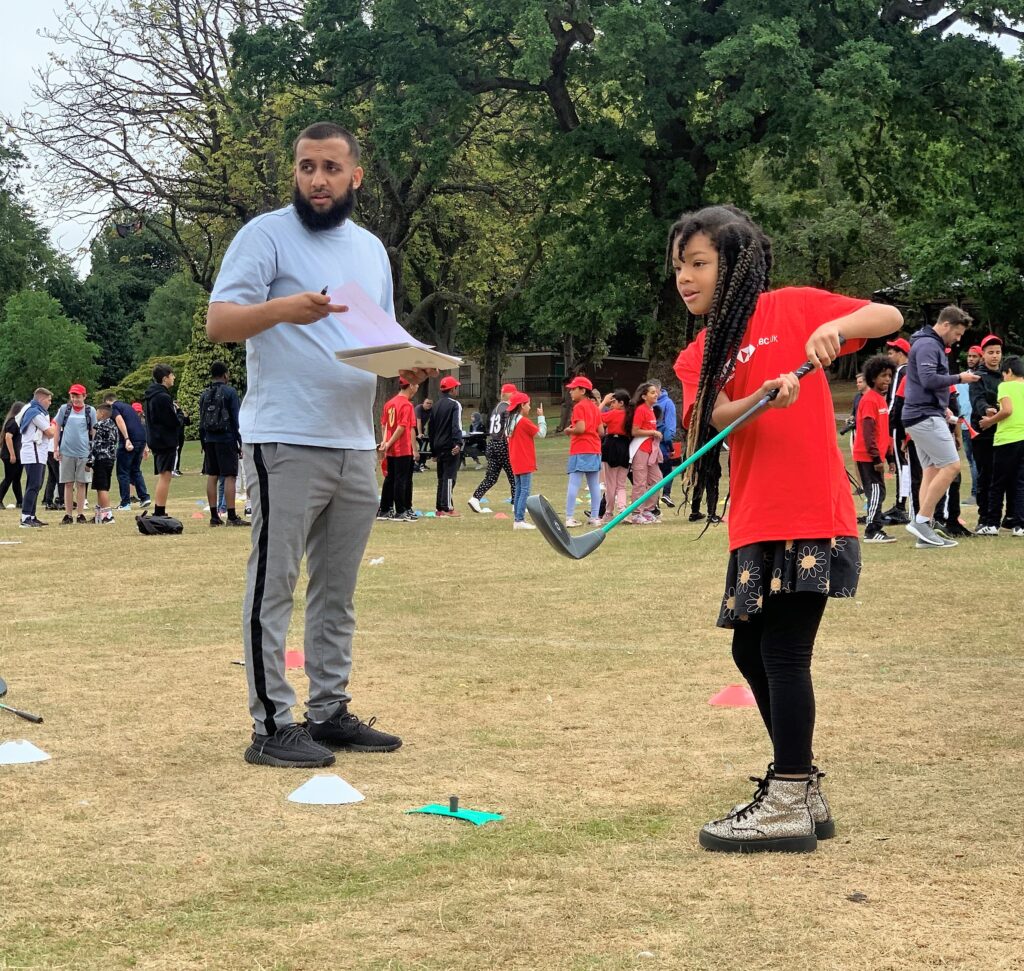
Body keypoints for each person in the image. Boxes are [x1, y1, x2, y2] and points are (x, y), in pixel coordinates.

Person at [668, 204, 903, 853]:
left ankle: (790, 795)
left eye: (698, 263)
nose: (684, 277)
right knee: (749, 652)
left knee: (782, 651)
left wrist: (833, 329)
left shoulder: (791, 307)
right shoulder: (698, 354)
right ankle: (800, 786)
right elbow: (714, 416)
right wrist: (761, 397)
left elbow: (888, 317)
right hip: (754, 520)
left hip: (810, 512)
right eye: (679, 266)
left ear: (735, 264)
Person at [207, 120, 421, 767]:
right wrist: (283, 309)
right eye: (306, 167)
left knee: (336, 591)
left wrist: (405, 366)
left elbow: (376, 339)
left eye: (330, 167)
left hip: (355, 441)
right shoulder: (265, 235)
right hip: (285, 437)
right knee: (273, 586)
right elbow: (219, 321)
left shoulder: (372, 251)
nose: (318, 180)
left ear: (356, 175)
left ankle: (328, 712)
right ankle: (271, 724)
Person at [901, 306, 978, 548]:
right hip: (923, 415)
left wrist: (942, 406)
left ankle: (924, 532)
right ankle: (922, 521)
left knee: (932, 469)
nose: (958, 339)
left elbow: (921, 383)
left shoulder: (927, 343)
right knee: (951, 465)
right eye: (957, 333)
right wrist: (960, 378)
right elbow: (928, 379)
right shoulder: (928, 345)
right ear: (946, 325)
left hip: (923, 413)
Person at [978, 355, 1024, 537]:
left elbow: (1007, 410)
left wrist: (989, 421)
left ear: (1009, 372)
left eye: (1003, 374)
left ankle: (992, 523)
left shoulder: (1005, 386)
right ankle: (1019, 525)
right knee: (1020, 483)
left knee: (997, 483)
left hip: (1006, 440)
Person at [198, 361, 248, 527]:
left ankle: (214, 516)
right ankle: (231, 516)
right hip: (226, 438)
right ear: (225, 375)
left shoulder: (205, 394)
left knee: (212, 475)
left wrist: (203, 442)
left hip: (209, 439)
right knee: (229, 476)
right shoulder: (230, 392)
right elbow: (236, 418)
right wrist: (240, 441)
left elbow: (201, 421)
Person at [853, 356, 896, 543]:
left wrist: (890, 457)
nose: (887, 379)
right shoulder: (870, 400)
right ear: (872, 378)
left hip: (877, 455)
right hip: (868, 456)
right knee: (876, 491)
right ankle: (872, 530)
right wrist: (877, 458)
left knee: (880, 491)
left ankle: (875, 526)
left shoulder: (881, 400)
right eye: (883, 375)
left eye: (890, 376)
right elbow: (868, 432)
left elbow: (883, 432)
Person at [970, 334, 1008, 532]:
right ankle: (984, 517)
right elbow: (977, 400)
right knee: (986, 476)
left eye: (998, 352)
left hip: (1005, 432)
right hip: (983, 432)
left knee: (1005, 476)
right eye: (990, 352)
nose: (995, 356)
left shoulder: (1007, 376)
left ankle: (1008, 517)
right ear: (982, 354)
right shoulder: (977, 377)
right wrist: (986, 409)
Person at [468, 383, 517, 514]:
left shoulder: (496, 408)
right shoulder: (508, 408)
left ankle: (475, 498)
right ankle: (516, 504)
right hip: (503, 444)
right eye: (514, 394)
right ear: (509, 395)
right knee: (514, 477)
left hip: (492, 444)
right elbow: (508, 428)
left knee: (491, 477)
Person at [377, 377, 419, 522]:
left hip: (391, 449)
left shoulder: (389, 403)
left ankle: (384, 509)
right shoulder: (406, 405)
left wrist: (385, 442)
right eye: (416, 384)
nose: (417, 387)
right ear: (411, 385)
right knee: (401, 479)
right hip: (402, 448)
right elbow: (402, 427)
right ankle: (400, 511)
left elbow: (384, 425)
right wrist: (389, 443)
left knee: (390, 478)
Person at [54, 383, 97, 524]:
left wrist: (93, 450)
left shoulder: (90, 411)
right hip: (66, 451)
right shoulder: (64, 409)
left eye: (78, 396)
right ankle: (68, 514)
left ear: (84, 396)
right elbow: (57, 428)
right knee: (68, 483)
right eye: (72, 396)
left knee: (81, 483)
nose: (75, 399)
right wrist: (56, 448)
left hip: (84, 451)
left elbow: (94, 430)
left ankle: (80, 513)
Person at [563, 376, 602, 527]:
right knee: (594, 485)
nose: (570, 392)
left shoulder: (579, 407)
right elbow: (601, 431)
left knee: (574, 484)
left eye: (573, 389)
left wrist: (569, 430)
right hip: (594, 449)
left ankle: (569, 517)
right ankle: (594, 517)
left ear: (583, 390)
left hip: (580, 449)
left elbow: (580, 428)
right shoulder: (595, 407)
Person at [143, 363, 180, 518]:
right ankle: (159, 510)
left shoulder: (150, 396)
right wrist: (180, 415)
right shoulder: (162, 397)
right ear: (165, 378)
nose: (174, 378)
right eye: (172, 375)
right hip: (165, 440)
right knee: (166, 476)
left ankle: (160, 509)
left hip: (156, 439)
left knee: (164, 475)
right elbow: (170, 420)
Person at [505, 391, 546, 530]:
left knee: (518, 490)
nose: (529, 407)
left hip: (515, 459)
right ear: (522, 405)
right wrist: (541, 417)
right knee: (525, 490)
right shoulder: (523, 421)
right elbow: (541, 433)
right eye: (528, 404)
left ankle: (517, 518)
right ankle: (519, 519)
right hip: (524, 459)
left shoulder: (510, 420)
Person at [882, 337, 911, 524]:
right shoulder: (913, 371)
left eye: (891, 353)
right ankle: (904, 503)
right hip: (910, 423)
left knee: (902, 466)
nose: (889, 356)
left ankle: (900, 507)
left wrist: (888, 423)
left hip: (898, 424)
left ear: (901, 354)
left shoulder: (901, 371)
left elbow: (894, 401)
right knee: (907, 465)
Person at [106, 393, 151, 511]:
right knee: (135, 469)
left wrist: (126, 439)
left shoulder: (114, 407)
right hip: (141, 439)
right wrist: (145, 445)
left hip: (129, 440)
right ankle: (144, 497)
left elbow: (119, 420)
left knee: (122, 472)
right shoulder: (128, 407)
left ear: (108, 402)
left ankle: (125, 503)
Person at [17, 388, 55, 528]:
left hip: (38, 454)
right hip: (33, 453)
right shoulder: (35, 413)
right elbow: (50, 433)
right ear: (41, 399)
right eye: (48, 400)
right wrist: (53, 426)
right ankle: (25, 517)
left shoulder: (38, 412)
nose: (50, 403)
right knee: (33, 485)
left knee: (36, 485)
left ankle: (32, 516)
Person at [626, 381, 663, 525]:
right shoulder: (641, 410)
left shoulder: (651, 410)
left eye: (656, 392)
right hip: (640, 450)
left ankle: (648, 509)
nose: (656, 395)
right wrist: (653, 432)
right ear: (644, 396)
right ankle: (636, 513)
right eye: (652, 392)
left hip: (650, 451)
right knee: (640, 483)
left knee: (657, 480)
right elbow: (635, 431)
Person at [428, 376, 463, 515]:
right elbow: (456, 425)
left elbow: (431, 429)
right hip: (450, 445)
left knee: (441, 478)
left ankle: (439, 507)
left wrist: (433, 450)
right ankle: (447, 507)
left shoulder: (435, 405)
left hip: (438, 445)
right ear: (452, 389)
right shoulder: (455, 404)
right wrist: (458, 443)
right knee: (449, 477)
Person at [598, 389, 630, 522]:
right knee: (621, 484)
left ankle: (609, 512)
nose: (611, 405)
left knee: (610, 484)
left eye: (613, 402)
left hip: (611, 445)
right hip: (625, 446)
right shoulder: (630, 415)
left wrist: (603, 402)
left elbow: (595, 416)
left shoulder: (613, 413)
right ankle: (623, 510)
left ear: (621, 403)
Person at [86, 403, 119, 523]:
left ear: (102, 414)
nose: (96, 415)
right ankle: (99, 516)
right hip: (110, 459)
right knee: (103, 486)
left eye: (97, 413)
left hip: (101, 458)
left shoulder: (100, 426)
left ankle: (107, 515)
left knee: (101, 488)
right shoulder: (113, 426)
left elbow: (96, 444)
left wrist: (89, 462)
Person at [654, 380, 678, 508]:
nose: (653, 394)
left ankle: (655, 501)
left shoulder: (667, 403)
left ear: (659, 389)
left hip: (654, 444)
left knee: (655, 474)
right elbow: (668, 430)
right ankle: (665, 494)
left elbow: (670, 424)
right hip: (660, 445)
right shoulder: (666, 404)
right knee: (666, 471)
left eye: (654, 391)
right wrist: (670, 447)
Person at [1, 401, 24, 510]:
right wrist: (12, 455)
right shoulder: (13, 422)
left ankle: (20, 502)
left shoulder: (18, 422)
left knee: (16, 479)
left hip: (18, 455)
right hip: (10, 455)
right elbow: (8, 437)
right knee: (8, 478)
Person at [414, 398, 433, 471]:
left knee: (423, 445)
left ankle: (422, 464)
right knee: (412, 446)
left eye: (430, 403)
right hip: (412, 429)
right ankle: (415, 464)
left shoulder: (431, 410)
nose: (429, 405)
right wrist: (419, 433)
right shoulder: (419, 408)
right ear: (423, 403)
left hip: (421, 429)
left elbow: (431, 422)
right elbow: (418, 421)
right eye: (427, 403)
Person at [172, 400, 189, 476]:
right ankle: (173, 469)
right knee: (175, 452)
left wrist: (186, 416)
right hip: (175, 435)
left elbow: (187, 423)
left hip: (180, 435)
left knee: (178, 452)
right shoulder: (176, 414)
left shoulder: (180, 414)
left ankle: (177, 468)